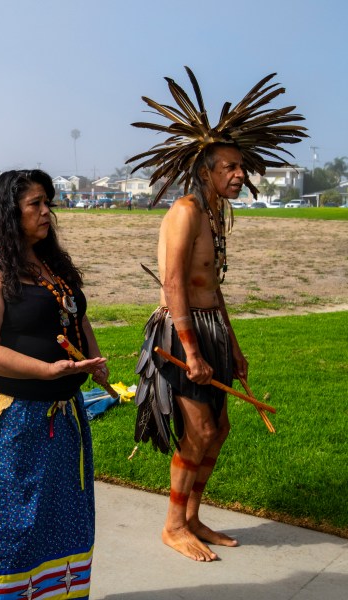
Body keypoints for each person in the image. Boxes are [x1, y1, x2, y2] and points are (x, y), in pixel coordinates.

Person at [128, 68, 307, 562]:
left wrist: (233, 346)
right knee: (200, 431)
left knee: (220, 429)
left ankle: (192, 516)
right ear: (206, 169)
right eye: (229, 167)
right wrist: (190, 350)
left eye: (242, 168)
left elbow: (214, 288)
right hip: (180, 331)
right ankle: (172, 525)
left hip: (210, 331)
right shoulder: (185, 211)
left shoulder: (212, 216)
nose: (239, 175)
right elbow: (174, 284)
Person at [0, 169, 108, 599]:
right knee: (7, 528)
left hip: (60, 424)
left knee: (58, 522)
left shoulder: (49, 264)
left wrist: (91, 357)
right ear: (8, 213)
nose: (47, 211)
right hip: (7, 426)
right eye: (36, 204)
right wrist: (45, 371)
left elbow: (73, 312)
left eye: (48, 202)